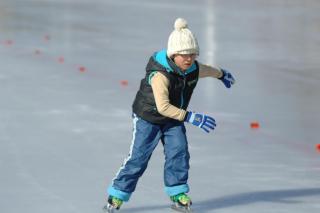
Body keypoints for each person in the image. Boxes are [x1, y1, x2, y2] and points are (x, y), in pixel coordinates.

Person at [104, 17, 235, 211]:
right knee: (139, 157)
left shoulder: (192, 68)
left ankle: (177, 192)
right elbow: (163, 107)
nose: (189, 58)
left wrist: (221, 74)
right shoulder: (160, 75)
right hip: (149, 118)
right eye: (184, 55)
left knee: (179, 152)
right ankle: (117, 194)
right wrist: (190, 116)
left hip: (173, 119)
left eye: (192, 54)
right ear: (173, 54)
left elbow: (206, 70)